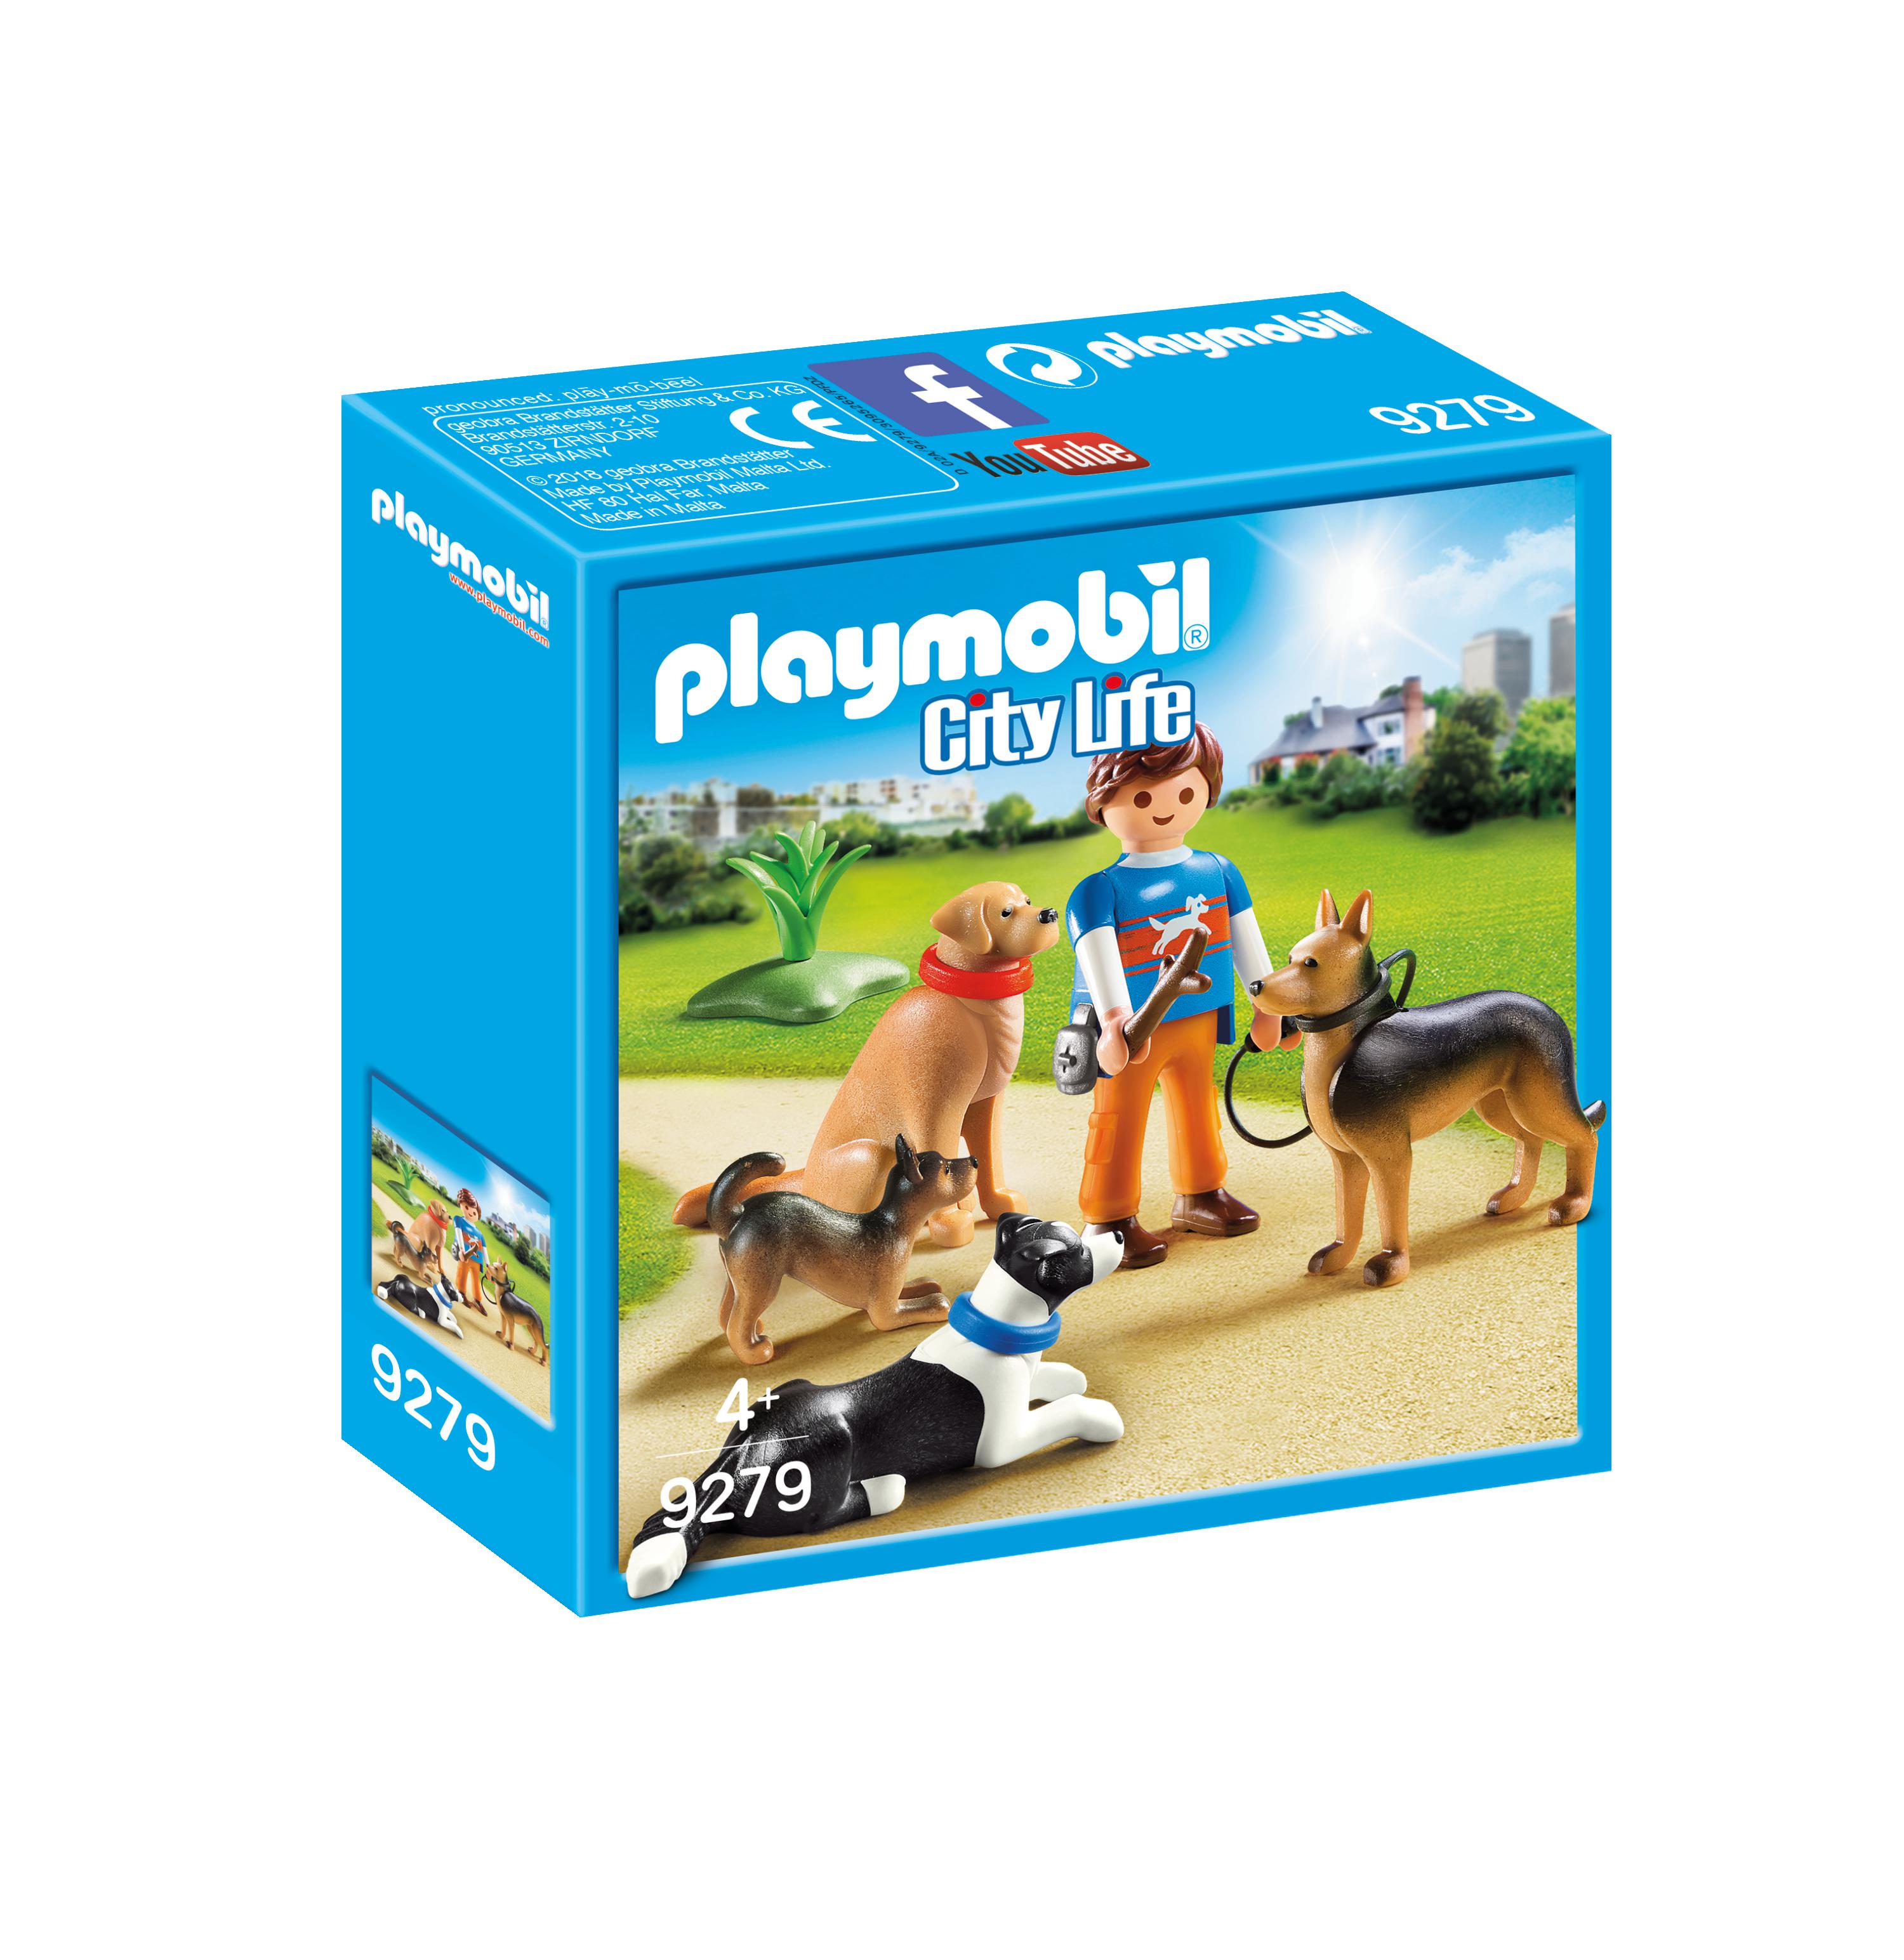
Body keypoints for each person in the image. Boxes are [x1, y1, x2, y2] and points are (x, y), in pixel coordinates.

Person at [1064, 724, 1294, 1269]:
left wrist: (1268, 1005)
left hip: (1199, 1014)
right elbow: (1098, 954)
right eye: (1143, 798)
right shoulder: (1099, 890)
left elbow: (1246, 939)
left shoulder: (1218, 871)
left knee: (1197, 1101)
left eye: (1185, 791)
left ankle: (1201, 1192)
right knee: (1119, 1117)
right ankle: (1109, 1218)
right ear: (1104, 801)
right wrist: (1115, 1020)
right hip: (1136, 1028)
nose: (1166, 808)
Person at [450, 1187, 489, 1309]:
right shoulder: (459, 1220)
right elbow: (458, 1233)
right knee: (462, 1274)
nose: (470, 1212)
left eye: (474, 1212)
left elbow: (484, 1249)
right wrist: (462, 1250)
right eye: (466, 1207)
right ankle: (461, 1293)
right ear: (461, 1205)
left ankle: (477, 1299)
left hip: (477, 1260)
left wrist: (488, 1266)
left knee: (476, 1279)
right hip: (466, 1256)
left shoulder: (480, 1233)